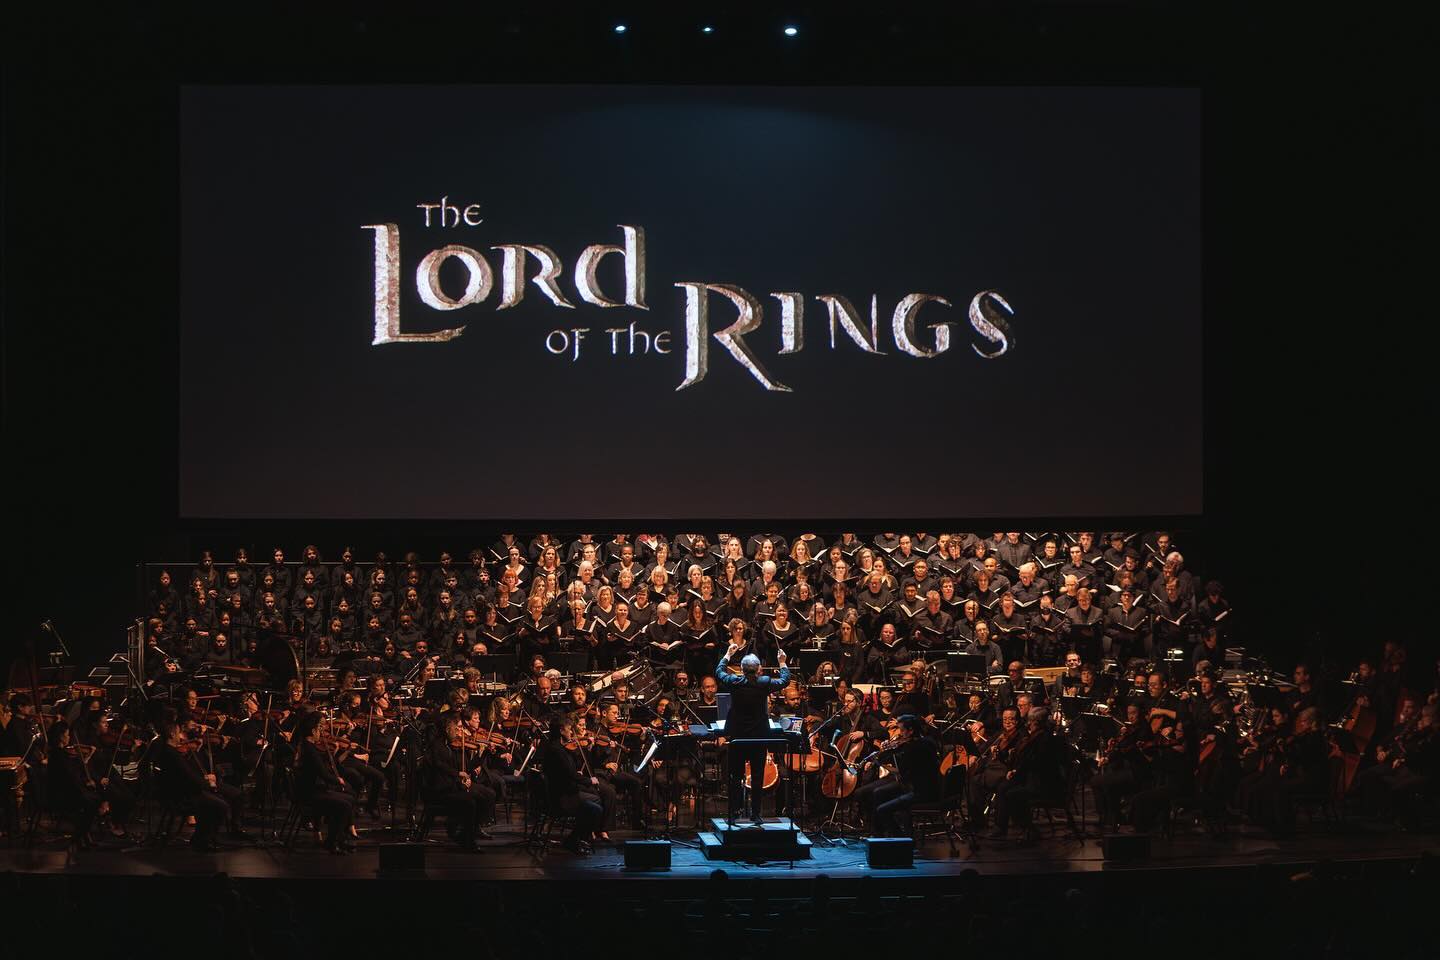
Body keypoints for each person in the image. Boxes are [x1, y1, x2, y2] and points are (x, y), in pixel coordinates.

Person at [715, 637, 791, 825]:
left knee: (735, 777)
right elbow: (785, 680)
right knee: (757, 777)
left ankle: (734, 813)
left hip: (738, 737)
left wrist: (728, 655)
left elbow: (719, 672)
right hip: (758, 736)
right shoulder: (763, 682)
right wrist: (782, 662)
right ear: (758, 670)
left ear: (741, 669)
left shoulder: (735, 681)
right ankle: (756, 814)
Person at [541, 718, 604, 854]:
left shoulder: (554, 747)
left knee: (592, 800)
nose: (571, 732)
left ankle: (579, 838)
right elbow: (571, 775)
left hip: (560, 792)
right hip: (562, 798)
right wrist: (589, 781)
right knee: (596, 805)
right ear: (561, 731)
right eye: (569, 729)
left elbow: (567, 772)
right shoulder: (557, 750)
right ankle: (575, 839)